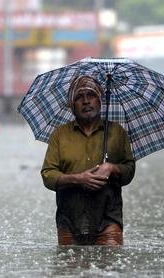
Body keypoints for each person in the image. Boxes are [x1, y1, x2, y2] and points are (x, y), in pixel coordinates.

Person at [41, 75, 135, 246]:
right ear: (72, 106)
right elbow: (48, 175)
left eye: (91, 95)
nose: (86, 101)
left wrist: (112, 168)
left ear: (100, 101)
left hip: (108, 220)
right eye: (79, 97)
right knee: (69, 269)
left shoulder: (116, 132)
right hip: (69, 220)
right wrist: (78, 179)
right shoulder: (60, 135)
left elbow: (129, 171)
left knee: (109, 269)